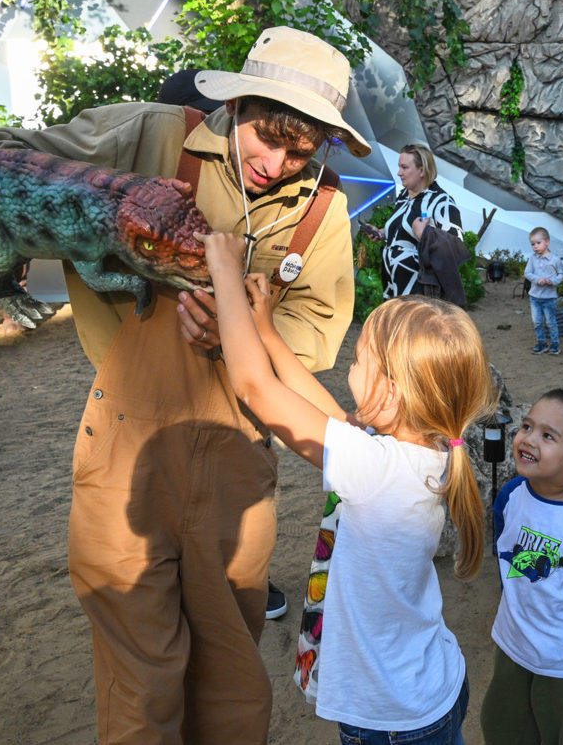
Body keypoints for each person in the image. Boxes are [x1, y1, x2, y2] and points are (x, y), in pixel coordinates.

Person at [0, 26, 368, 742]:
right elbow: (0, 153)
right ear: (239, 101)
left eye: (300, 151)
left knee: (229, 661)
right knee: (142, 670)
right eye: (267, 136)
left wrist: (240, 333)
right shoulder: (153, 135)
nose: (275, 163)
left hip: (238, 459)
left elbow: (318, 327)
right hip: (127, 448)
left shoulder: (324, 209)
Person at [199, 229, 495, 743]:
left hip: (389, 719)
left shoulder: (377, 467)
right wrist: (267, 329)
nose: (350, 368)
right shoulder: (422, 451)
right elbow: (328, 415)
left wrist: (223, 268)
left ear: (394, 392)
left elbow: (254, 386)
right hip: (427, 686)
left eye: (358, 361)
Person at [153, 67, 289, 621]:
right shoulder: (162, 152)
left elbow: (265, 378)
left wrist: (243, 322)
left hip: (236, 410)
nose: (275, 167)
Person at [480, 388, 563, 745]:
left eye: (548, 435)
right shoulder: (510, 494)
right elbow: (504, 557)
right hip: (512, 647)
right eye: (527, 426)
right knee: (502, 728)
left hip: (562, 666)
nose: (529, 439)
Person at [381, 143, 465, 299]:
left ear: (421, 170)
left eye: (404, 167)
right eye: (399, 167)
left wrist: (425, 235)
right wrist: (384, 233)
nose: (399, 173)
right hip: (393, 291)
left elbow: (455, 249)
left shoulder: (441, 202)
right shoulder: (403, 198)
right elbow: (404, 233)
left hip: (420, 298)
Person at [525, 226, 563, 356]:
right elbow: (527, 273)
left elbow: (562, 274)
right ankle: (541, 343)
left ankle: (555, 345)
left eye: (538, 243)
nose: (535, 247)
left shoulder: (555, 259)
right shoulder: (532, 258)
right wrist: (537, 279)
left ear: (547, 242)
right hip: (535, 297)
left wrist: (552, 281)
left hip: (549, 297)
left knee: (550, 322)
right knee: (537, 322)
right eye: (533, 244)